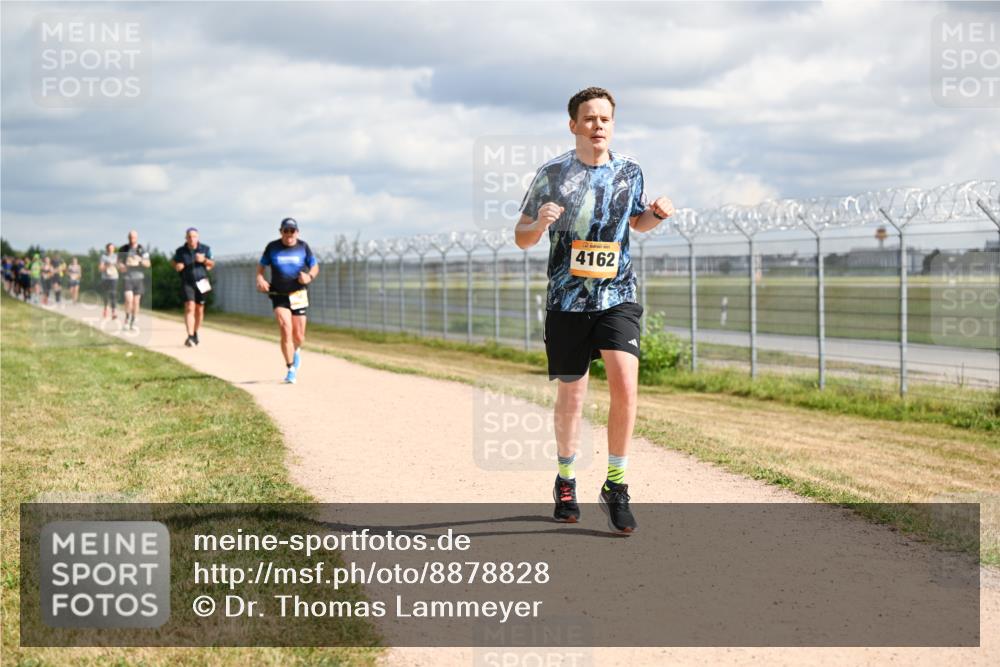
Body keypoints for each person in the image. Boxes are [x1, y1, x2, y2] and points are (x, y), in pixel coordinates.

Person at [514, 87, 674, 534]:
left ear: (612, 125)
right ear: (573, 125)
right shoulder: (553, 174)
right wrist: (538, 223)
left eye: (605, 119)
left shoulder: (629, 171)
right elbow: (521, 237)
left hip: (616, 296)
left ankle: (616, 484)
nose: (597, 125)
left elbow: (637, 224)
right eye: (589, 118)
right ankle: (566, 480)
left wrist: (657, 214)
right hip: (567, 301)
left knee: (626, 384)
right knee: (573, 396)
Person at [255, 218, 319, 384]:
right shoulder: (272, 247)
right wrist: (260, 279)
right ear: (281, 232)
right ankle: (290, 368)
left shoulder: (303, 247)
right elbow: (261, 267)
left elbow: (314, 266)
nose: (289, 234)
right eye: (286, 230)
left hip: (298, 294)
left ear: (297, 232)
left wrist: (309, 276)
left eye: (292, 230)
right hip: (279, 294)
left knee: (299, 335)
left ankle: (296, 351)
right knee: (285, 327)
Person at [172, 227, 214, 347]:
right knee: (190, 307)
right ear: (186, 238)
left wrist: (204, 260)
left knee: (200, 309)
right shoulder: (180, 251)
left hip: (202, 281)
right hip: (187, 282)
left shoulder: (205, 249)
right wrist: (177, 266)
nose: (192, 239)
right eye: (189, 236)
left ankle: (195, 333)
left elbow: (212, 263)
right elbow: (174, 262)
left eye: (194, 236)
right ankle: (190, 336)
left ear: (198, 237)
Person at [117, 230, 151, 331]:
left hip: (139, 278)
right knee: (128, 299)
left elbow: (148, 264)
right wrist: (121, 266)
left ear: (137, 238)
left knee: (136, 302)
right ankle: (127, 319)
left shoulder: (142, 250)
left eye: (134, 237)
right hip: (127, 277)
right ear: (128, 238)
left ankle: (134, 320)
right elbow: (118, 262)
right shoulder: (123, 249)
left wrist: (139, 260)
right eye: (130, 237)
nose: (132, 239)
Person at [99, 243, 119, 319]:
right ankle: (105, 308)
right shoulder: (103, 257)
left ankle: (114, 312)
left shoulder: (116, 256)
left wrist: (118, 265)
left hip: (114, 277)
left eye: (112, 248)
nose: (110, 250)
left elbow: (119, 266)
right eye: (109, 248)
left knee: (113, 294)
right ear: (107, 249)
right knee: (106, 294)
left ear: (114, 249)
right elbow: (100, 268)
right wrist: (108, 265)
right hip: (105, 278)